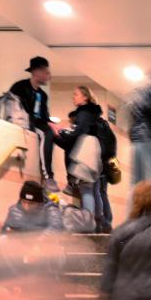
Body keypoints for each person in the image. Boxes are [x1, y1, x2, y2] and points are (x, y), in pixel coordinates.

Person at [53, 86, 105, 232]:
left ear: (85, 97)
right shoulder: (92, 113)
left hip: (86, 149)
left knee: (86, 190)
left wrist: (58, 135)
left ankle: (88, 224)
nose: (73, 97)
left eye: (76, 94)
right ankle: (96, 223)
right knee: (92, 190)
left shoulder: (85, 112)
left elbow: (78, 133)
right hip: (93, 150)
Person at [9, 56, 58, 191]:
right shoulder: (20, 87)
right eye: (46, 72)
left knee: (57, 134)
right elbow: (15, 110)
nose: (48, 76)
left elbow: (44, 116)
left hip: (38, 122)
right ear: (36, 72)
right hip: (26, 123)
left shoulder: (43, 95)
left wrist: (51, 123)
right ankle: (48, 177)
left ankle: (70, 180)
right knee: (47, 134)